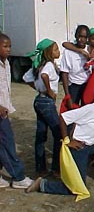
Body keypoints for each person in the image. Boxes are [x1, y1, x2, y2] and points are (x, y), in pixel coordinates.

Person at [26, 84, 94, 196]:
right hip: (79, 147)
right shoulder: (90, 108)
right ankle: (43, 184)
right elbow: (63, 118)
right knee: (77, 188)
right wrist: (68, 140)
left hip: (92, 145)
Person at [0, 33, 33, 189]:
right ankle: (18, 177)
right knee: (7, 143)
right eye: (5, 46)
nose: (8, 49)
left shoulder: (5, 63)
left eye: (9, 46)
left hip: (4, 110)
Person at [25, 39, 62, 176]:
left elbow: (26, 78)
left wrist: (38, 88)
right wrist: (49, 90)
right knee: (58, 133)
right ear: (48, 52)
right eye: (56, 50)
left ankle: (40, 168)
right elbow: (45, 75)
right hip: (46, 102)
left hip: (39, 100)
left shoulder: (38, 65)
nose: (58, 52)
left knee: (41, 135)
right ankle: (56, 168)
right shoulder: (49, 66)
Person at [60, 25, 90, 108]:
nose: (81, 39)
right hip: (74, 85)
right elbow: (64, 73)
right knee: (72, 109)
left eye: (84, 37)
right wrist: (67, 95)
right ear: (76, 36)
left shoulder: (90, 49)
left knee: (86, 110)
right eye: (79, 36)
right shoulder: (68, 52)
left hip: (87, 84)